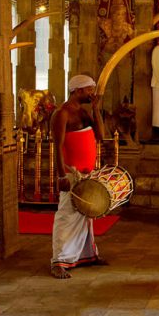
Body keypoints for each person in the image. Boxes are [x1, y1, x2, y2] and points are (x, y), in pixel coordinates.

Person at [50, 74, 108, 279]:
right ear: (78, 90)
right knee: (66, 216)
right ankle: (58, 261)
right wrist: (60, 176)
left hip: (87, 173)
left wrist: (95, 110)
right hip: (70, 173)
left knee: (86, 216)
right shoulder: (62, 113)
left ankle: (87, 255)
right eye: (90, 89)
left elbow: (100, 135)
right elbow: (57, 146)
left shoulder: (83, 113)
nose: (93, 93)